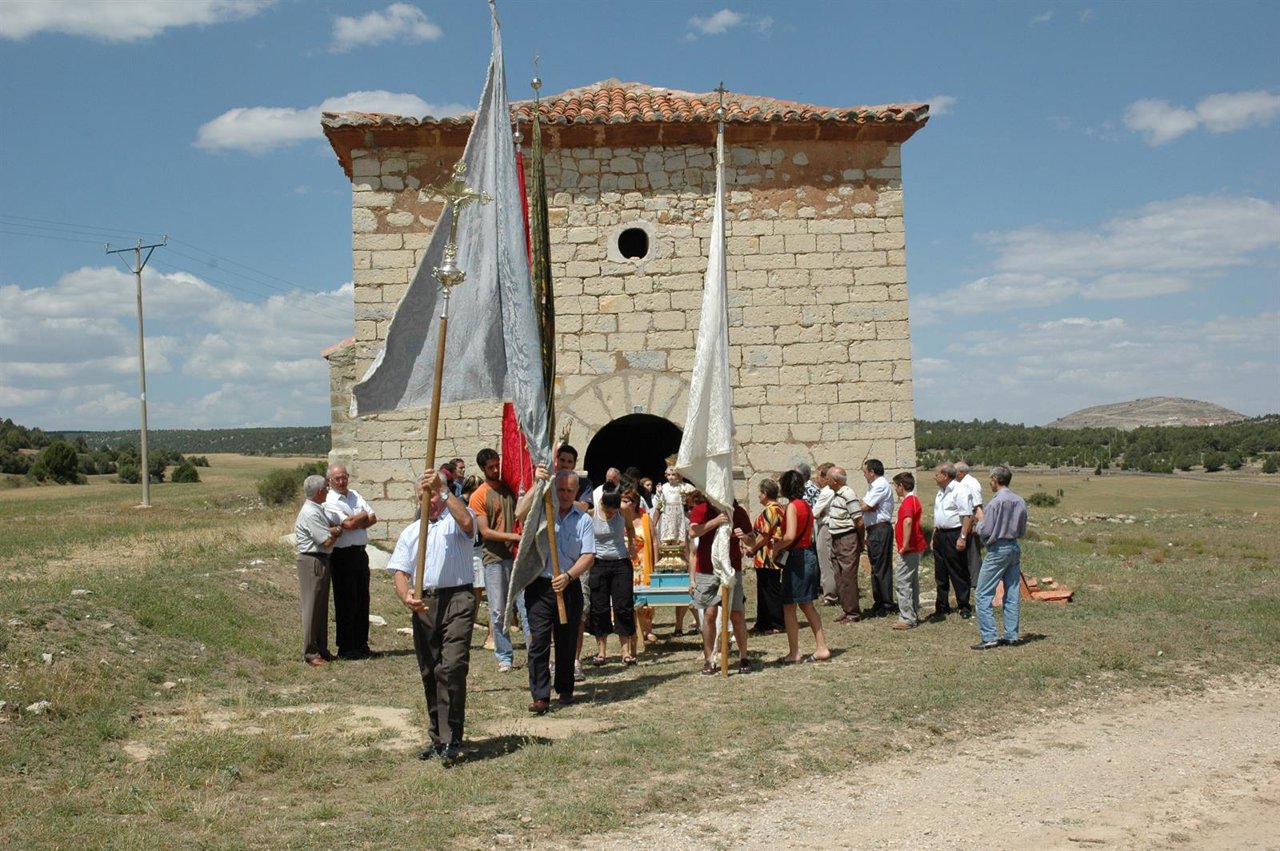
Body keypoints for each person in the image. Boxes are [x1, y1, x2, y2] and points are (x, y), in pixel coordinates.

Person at [385, 469, 477, 764]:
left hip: (459, 598)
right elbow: (400, 570)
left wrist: (446, 491)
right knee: (429, 669)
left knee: (451, 667)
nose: (429, 499)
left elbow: (467, 524)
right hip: (426, 602)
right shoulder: (412, 532)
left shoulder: (458, 520)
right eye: (423, 495)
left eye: (433, 493)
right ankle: (437, 736)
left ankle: (453, 738)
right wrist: (406, 595)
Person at [517, 467, 595, 714]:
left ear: (577, 492)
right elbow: (520, 513)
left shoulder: (583, 520)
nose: (564, 494)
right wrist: (537, 484)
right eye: (560, 489)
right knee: (539, 640)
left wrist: (569, 576)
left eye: (569, 490)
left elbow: (589, 555)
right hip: (540, 585)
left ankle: (565, 687)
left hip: (568, 585)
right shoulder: (542, 512)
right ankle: (540, 695)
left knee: (566, 639)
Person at [469, 448, 530, 674]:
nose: (496, 469)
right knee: (498, 610)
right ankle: (504, 656)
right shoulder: (479, 495)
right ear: (483, 469)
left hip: (517, 556)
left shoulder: (508, 489)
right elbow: (485, 532)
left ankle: (534, 651)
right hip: (494, 558)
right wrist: (513, 537)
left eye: (497, 465)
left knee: (525, 606)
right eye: (491, 467)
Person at [689, 492, 754, 674]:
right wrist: (715, 522)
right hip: (707, 569)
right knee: (709, 614)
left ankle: (744, 658)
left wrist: (745, 538)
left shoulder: (738, 512)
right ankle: (709, 659)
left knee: (737, 614)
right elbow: (694, 531)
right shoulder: (701, 510)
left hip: (732, 568)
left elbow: (752, 539)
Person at [773, 470, 831, 663]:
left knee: (789, 606)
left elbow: (789, 536)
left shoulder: (792, 506)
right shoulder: (805, 504)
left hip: (796, 557)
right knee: (807, 604)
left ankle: (794, 652)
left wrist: (776, 546)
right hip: (808, 553)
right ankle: (821, 646)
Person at [324, 464, 379, 660]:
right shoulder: (329, 500)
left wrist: (358, 519)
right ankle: (346, 646)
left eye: (344, 477)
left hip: (360, 553)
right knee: (347, 599)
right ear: (329, 480)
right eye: (337, 478)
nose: (341, 481)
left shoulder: (354, 494)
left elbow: (373, 518)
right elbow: (347, 524)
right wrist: (361, 516)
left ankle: (361, 642)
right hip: (342, 556)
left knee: (363, 598)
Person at [972, 465, 1029, 650]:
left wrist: (980, 521)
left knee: (982, 593)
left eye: (990, 479)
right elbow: (1021, 528)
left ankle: (989, 636)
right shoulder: (1019, 500)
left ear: (995, 479)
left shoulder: (995, 503)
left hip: (998, 549)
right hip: (1013, 545)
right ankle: (1011, 635)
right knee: (1012, 592)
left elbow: (986, 529)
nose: (990, 482)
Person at [295, 475, 342, 666]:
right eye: (326, 488)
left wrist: (332, 530)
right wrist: (338, 531)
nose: (328, 491)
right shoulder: (311, 512)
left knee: (321, 607)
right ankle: (311, 652)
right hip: (312, 560)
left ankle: (321, 648)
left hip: (321, 559)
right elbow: (326, 540)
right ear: (319, 491)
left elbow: (325, 531)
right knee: (312, 607)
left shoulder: (317, 509)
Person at [587, 490, 638, 665]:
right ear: (602, 504)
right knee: (599, 607)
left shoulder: (624, 510)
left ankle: (625, 652)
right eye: (608, 511)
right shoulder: (591, 514)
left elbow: (630, 528)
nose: (611, 514)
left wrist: (632, 545)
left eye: (614, 511)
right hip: (598, 563)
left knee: (623, 606)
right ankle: (602, 652)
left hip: (621, 563)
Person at [931, 463, 974, 620]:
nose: (934, 477)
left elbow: (967, 516)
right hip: (940, 534)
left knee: (958, 570)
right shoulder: (940, 492)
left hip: (954, 533)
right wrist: (933, 537)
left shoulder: (959, 490)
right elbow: (939, 516)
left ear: (945, 476)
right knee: (940, 571)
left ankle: (964, 605)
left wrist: (962, 537)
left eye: (936, 474)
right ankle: (942, 605)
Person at [741, 478, 785, 635]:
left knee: (768, 590)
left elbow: (764, 535)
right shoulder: (780, 508)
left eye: (760, 493)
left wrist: (751, 549)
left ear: (765, 493)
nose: (758, 496)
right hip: (772, 554)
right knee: (767, 588)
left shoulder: (770, 510)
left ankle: (774, 623)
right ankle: (766, 622)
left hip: (767, 555)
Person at [825, 467, 865, 623]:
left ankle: (853, 613)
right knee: (839, 575)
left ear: (835, 481)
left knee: (848, 575)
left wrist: (861, 540)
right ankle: (846, 608)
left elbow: (859, 521)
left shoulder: (848, 494)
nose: (826, 480)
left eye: (828, 478)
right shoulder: (837, 495)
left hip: (847, 538)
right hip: (836, 538)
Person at [859, 459, 896, 617]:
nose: (865, 475)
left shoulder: (880, 485)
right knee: (876, 567)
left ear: (872, 472)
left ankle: (886, 603)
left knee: (881, 567)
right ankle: (879, 601)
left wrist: (861, 506)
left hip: (880, 529)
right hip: (875, 530)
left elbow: (866, 506)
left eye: (865, 472)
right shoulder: (874, 486)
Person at [891, 471, 926, 629]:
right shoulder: (913, 500)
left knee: (902, 581)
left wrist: (904, 545)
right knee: (911, 582)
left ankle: (907, 618)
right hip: (913, 547)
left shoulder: (908, 502)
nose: (895, 489)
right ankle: (912, 613)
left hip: (909, 548)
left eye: (896, 486)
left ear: (901, 486)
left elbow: (908, 522)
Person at [811, 462, 838, 605]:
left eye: (819, 476)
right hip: (835, 526)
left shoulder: (826, 491)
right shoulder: (837, 489)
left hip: (826, 527)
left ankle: (830, 594)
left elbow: (814, 513)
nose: (817, 480)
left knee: (825, 561)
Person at [955, 461, 986, 587]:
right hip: (965, 522)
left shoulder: (970, 483)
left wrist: (975, 524)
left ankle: (976, 581)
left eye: (955, 470)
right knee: (966, 552)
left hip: (971, 521)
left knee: (973, 552)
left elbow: (976, 505)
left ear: (961, 472)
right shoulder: (963, 483)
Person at [556, 444, 593, 511]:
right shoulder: (549, 481)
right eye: (562, 460)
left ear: (574, 464)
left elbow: (583, 507)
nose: (565, 465)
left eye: (569, 462)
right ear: (557, 460)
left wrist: (556, 499)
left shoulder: (584, 483)